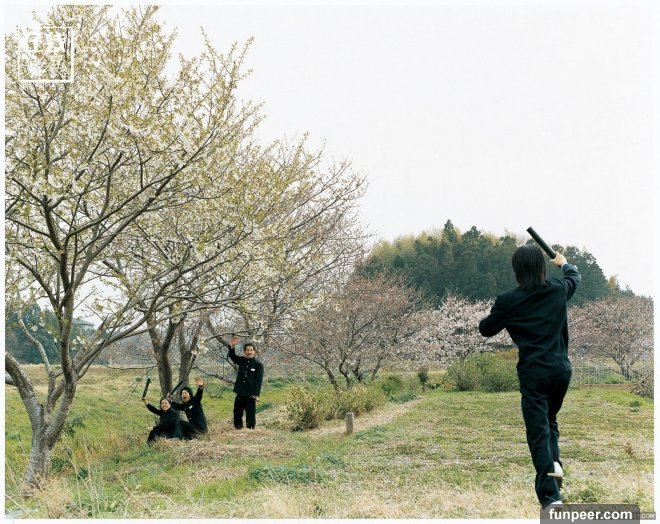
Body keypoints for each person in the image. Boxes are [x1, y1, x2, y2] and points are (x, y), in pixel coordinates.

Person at [478, 244, 580, 508]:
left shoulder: (508, 301)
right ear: (542, 267)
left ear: (517, 271)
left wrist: (501, 312)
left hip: (534, 374)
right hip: (560, 371)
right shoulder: (557, 290)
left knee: (538, 433)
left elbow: (486, 329)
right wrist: (563, 262)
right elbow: (574, 276)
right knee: (549, 422)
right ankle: (554, 467)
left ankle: (551, 499)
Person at [228, 335, 264, 429]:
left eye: (251, 350)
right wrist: (232, 346)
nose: (249, 352)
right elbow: (232, 356)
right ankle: (238, 428)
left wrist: (256, 394)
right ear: (244, 351)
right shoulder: (241, 360)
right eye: (247, 350)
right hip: (240, 392)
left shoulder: (258, 365)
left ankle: (250, 429)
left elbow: (258, 381)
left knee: (250, 413)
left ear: (254, 351)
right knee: (237, 411)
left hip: (251, 394)